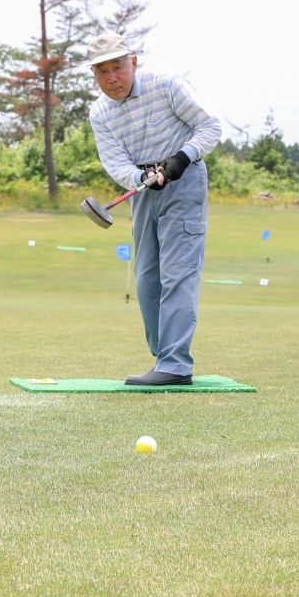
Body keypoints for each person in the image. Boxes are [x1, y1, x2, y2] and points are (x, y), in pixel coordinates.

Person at [86, 32, 222, 386]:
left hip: (185, 178)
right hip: (143, 188)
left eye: (117, 67)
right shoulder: (100, 112)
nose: (112, 77)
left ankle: (176, 364)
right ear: (94, 76)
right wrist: (140, 177)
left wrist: (181, 158)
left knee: (178, 273)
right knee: (147, 277)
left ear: (133, 62)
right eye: (102, 72)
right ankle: (163, 356)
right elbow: (115, 162)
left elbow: (210, 126)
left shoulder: (167, 87)